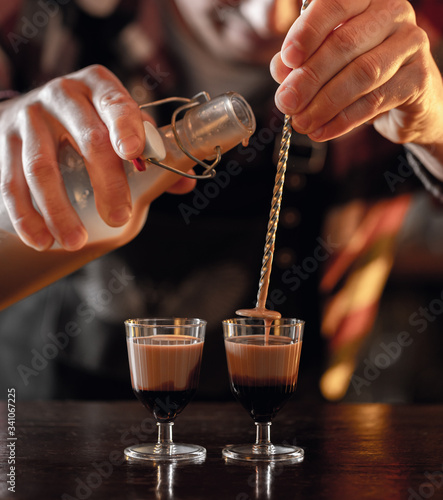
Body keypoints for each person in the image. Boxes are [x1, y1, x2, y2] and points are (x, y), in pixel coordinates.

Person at [0, 0, 442, 401]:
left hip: (294, 448)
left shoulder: (396, 50)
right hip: (38, 430)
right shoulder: (39, 22)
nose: (270, 18)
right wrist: (8, 126)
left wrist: (436, 131)